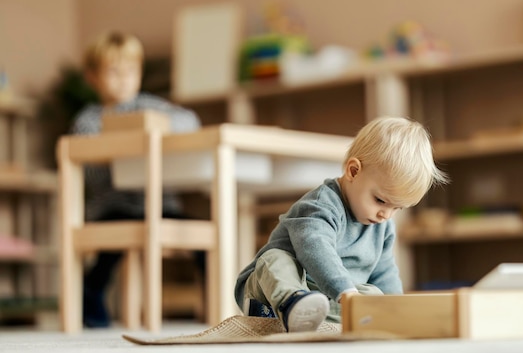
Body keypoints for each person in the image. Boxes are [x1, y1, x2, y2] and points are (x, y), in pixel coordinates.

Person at [234, 116, 448, 332]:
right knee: (275, 259)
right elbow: (316, 250)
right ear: (353, 171)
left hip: (327, 295)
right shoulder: (321, 205)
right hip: (269, 289)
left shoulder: (382, 224)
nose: (386, 214)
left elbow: (385, 272)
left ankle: (312, 315)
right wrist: (344, 290)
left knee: (375, 297)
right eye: (381, 200)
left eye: (397, 208)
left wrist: (396, 310)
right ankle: (291, 304)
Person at [70, 30, 203, 328]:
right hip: (112, 207)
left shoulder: (150, 106)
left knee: (199, 236)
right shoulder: (89, 119)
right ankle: (90, 299)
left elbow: (190, 121)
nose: (123, 78)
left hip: (159, 205)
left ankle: (214, 301)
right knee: (108, 251)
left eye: (130, 70)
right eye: (113, 71)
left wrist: (156, 126)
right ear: (93, 77)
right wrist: (124, 143)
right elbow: (89, 166)